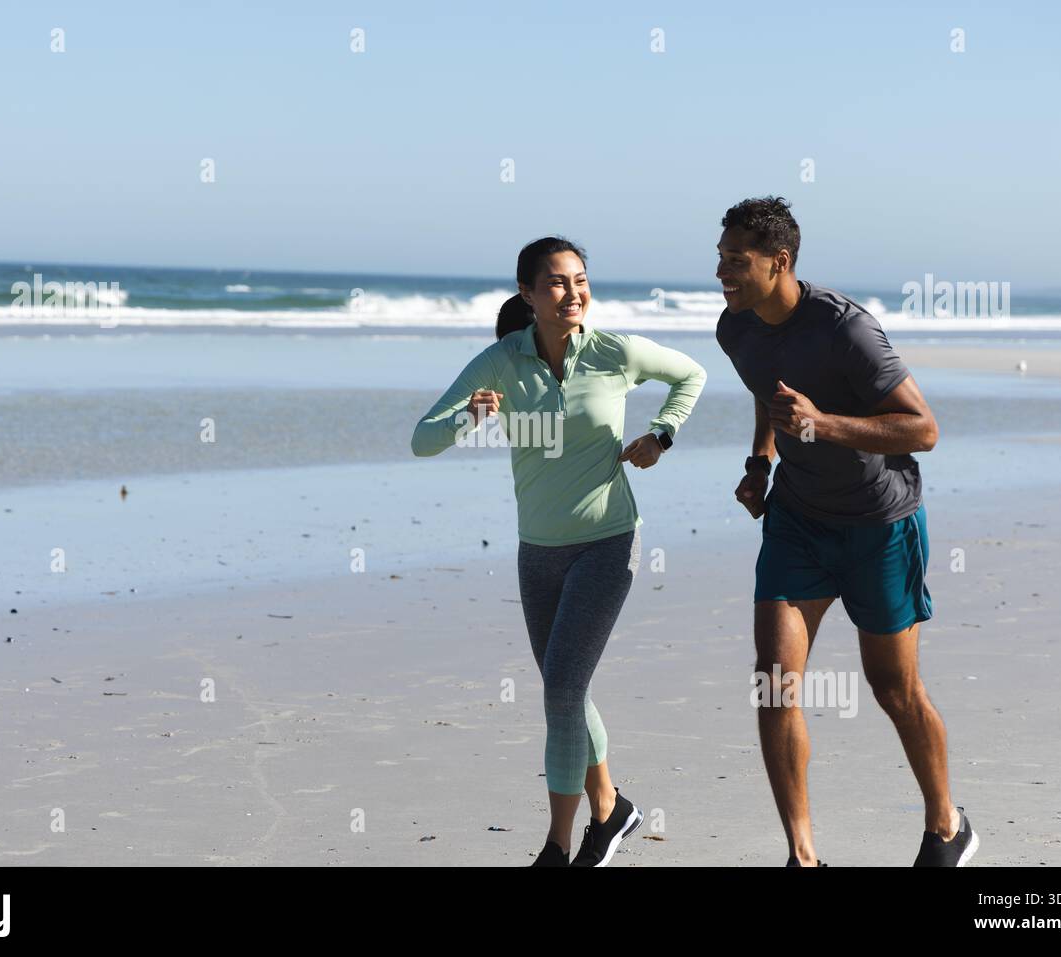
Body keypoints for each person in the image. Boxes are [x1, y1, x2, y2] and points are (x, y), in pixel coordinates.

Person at [412, 236, 706, 866]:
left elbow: (690, 373)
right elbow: (422, 439)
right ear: (527, 293)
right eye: (555, 282)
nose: (572, 292)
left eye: (579, 280)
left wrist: (662, 434)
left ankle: (558, 844)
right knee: (565, 689)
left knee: (562, 693)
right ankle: (614, 809)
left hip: (607, 541)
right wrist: (471, 416)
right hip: (537, 551)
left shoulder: (614, 351)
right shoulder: (500, 361)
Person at [714, 196, 978, 867]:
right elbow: (766, 392)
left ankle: (947, 825)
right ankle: (803, 857)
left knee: (893, 688)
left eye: (736, 261)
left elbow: (924, 430)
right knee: (775, 680)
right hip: (798, 521)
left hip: (877, 524)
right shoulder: (735, 328)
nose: (722, 272)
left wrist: (823, 424)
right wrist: (760, 461)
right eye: (720, 258)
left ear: (780, 263)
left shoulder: (845, 330)